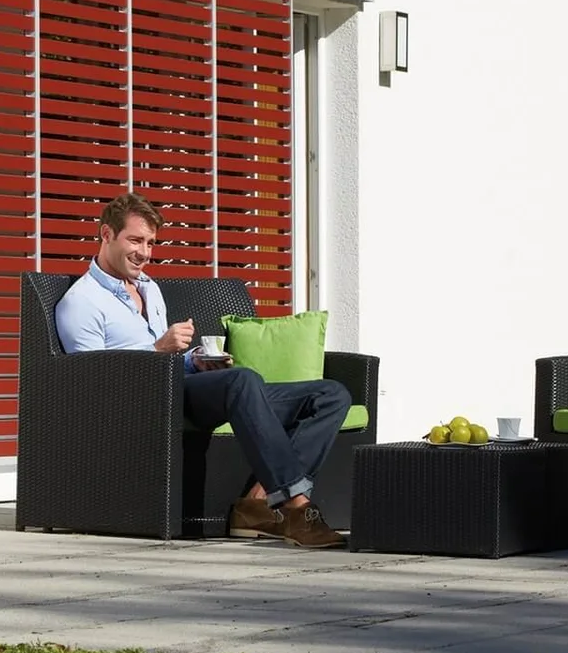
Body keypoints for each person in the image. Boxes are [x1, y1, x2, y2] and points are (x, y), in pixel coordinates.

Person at [54, 192, 350, 548]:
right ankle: (298, 510)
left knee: (330, 395)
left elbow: (169, 356)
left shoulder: (149, 288)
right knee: (242, 381)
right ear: (106, 234)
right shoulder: (81, 302)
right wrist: (158, 350)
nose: (144, 252)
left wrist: (194, 359)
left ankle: (256, 503)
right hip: (149, 400)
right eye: (135, 240)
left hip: (183, 385)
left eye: (150, 243)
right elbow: (91, 381)